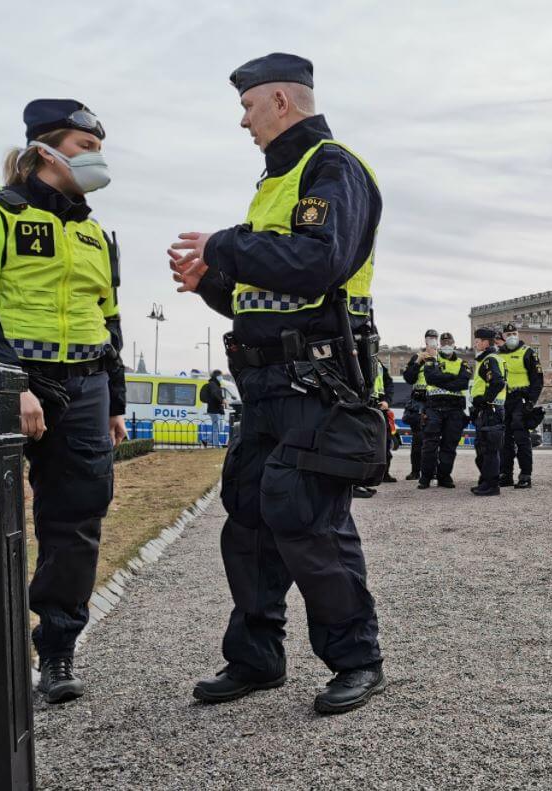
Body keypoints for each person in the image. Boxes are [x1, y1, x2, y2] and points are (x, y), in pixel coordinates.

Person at [168, 53, 385, 714]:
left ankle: (357, 659)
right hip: (264, 383)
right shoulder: (277, 180)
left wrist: (224, 245)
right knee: (249, 521)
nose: (243, 121)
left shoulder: (331, 166)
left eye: (248, 106)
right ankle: (256, 657)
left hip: (316, 382)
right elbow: (263, 301)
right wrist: (211, 283)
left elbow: (319, 262)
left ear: (281, 102)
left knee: (309, 523)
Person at [0, 99, 126, 703]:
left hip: (85, 386)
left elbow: (110, 323)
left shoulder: (94, 233)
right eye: (87, 147)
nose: (98, 159)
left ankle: (57, 651)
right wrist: (15, 384)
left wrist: (114, 402)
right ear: (46, 151)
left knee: (77, 522)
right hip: (14, 381)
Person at [417, 332, 470, 490]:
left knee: (449, 445)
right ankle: (425, 477)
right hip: (434, 407)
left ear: (454, 344)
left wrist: (441, 378)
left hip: (454, 409)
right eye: (444, 343)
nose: (447, 345)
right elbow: (430, 378)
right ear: (440, 345)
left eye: (449, 343)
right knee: (429, 445)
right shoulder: (431, 360)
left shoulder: (462, 363)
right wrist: (451, 378)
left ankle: (444, 476)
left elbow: (463, 383)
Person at [497, 322, 544, 489]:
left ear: (518, 334)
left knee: (521, 438)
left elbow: (537, 380)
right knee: (504, 440)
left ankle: (525, 475)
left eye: (514, 334)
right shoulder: (498, 355)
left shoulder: (528, 352)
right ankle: (505, 475)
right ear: (503, 336)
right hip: (504, 400)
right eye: (508, 334)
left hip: (521, 400)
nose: (511, 337)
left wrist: (531, 401)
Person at [469, 328, 506, 496]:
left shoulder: (489, 360)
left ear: (485, 342)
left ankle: (491, 485)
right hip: (490, 409)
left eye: (477, 341)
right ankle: (486, 481)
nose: (475, 344)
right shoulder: (490, 359)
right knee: (483, 449)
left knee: (489, 450)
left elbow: (497, 382)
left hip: (491, 410)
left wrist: (485, 400)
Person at [353, 358, 395, 498]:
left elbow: (388, 384)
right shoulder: (357, 357)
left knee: (380, 444)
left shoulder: (378, 363)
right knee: (361, 444)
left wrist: (387, 400)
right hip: (363, 404)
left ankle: (370, 479)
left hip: (377, 406)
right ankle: (356, 483)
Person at [401, 329, 438, 479]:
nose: (432, 341)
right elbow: (409, 378)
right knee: (418, 439)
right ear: (425, 340)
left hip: (434, 401)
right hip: (418, 402)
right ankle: (415, 471)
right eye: (430, 338)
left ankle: (433, 471)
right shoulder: (417, 357)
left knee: (433, 439)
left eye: (434, 338)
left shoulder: (442, 357)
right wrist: (417, 362)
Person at [202, 369, 228, 447]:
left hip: (217, 409)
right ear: (217, 376)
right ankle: (217, 445)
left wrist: (222, 399)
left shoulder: (216, 384)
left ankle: (206, 440)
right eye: (220, 375)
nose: (221, 377)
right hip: (214, 410)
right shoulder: (213, 384)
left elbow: (217, 394)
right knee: (216, 428)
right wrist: (222, 400)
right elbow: (215, 394)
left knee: (219, 428)